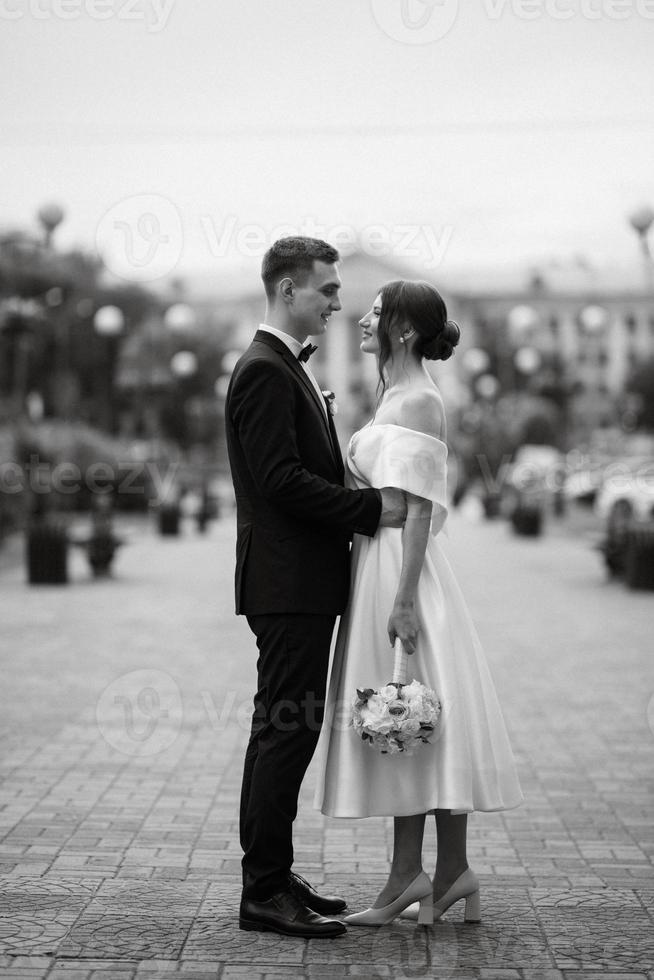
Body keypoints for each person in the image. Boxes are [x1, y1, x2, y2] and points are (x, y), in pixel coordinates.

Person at [314, 279, 523, 926]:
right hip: (378, 564)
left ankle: (436, 872)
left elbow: (422, 509)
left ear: (405, 330)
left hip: (405, 572)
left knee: (418, 712)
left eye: (378, 313)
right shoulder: (392, 395)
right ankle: (427, 873)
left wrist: (404, 601)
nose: (365, 320)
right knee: (408, 722)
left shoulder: (421, 401)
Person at [224, 237, 407, 939]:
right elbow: (279, 482)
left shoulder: (281, 366)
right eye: (327, 291)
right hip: (288, 581)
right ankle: (264, 891)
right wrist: (371, 508)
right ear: (289, 290)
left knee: (279, 732)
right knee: (285, 734)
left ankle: (269, 875)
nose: (337, 302)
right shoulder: (267, 370)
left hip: (295, 580)